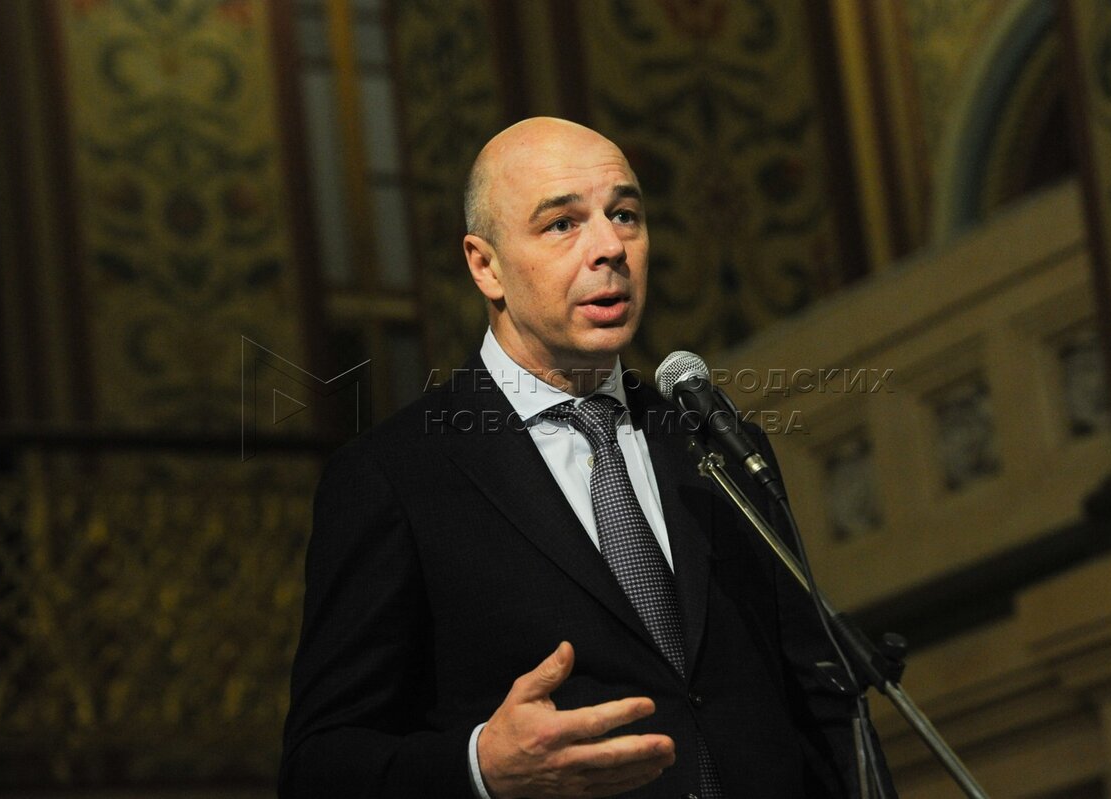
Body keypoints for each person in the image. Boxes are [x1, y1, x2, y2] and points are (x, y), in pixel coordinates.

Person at [279, 117, 894, 798]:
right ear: (486, 266)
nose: (610, 247)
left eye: (625, 215)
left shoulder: (714, 443)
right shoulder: (394, 476)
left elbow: (822, 705)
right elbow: (319, 768)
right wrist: (482, 767)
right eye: (562, 224)